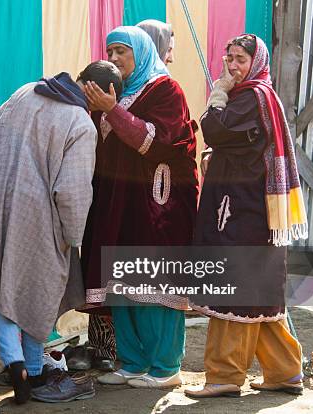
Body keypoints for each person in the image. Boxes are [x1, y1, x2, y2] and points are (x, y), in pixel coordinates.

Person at [0, 62, 123, 404]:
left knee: (0, 281)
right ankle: (34, 369)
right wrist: (73, 236)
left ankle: (17, 364)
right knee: (38, 290)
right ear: (104, 93)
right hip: (39, 216)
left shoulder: (27, 91)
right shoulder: (82, 124)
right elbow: (72, 191)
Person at [185, 34, 308, 398]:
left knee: (233, 290)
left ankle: (224, 375)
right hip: (254, 209)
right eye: (228, 59)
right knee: (258, 295)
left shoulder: (251, 97)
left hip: (243, 210)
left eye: (239, 59)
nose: (232, 66)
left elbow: (215, 128)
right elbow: (239, 145)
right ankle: (285, 372)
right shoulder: (259, 96)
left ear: (255, 62)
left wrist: (219, 91)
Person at [81, 26, 198, 389]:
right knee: (121, 285)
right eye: (110, 51)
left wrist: (111, 110)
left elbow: (157, 142)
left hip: (155, 204)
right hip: (117, 202)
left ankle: (165, 368)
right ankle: (131, 363)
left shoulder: (166, 90)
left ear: (143, 52)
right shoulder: (113, 94)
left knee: (154, 287)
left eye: (122, 51)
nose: (114, 58)